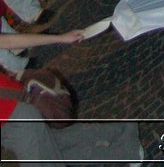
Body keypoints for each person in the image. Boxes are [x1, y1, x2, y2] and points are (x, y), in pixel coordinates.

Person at [0, 29, 144, 166]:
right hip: (10, 118)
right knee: (59, 146)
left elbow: (6, 40)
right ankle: (124, 142)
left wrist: (60, 38)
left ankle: (125, 142)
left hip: (14, 112)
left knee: (49, 153)